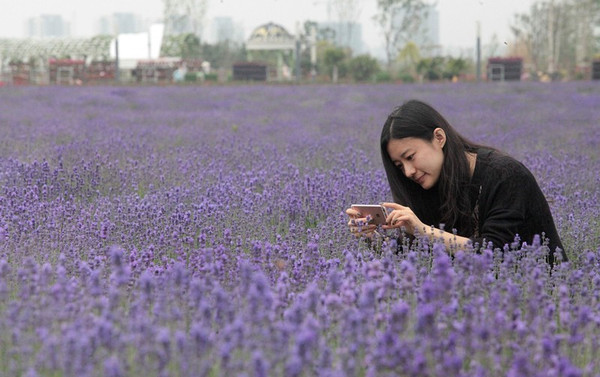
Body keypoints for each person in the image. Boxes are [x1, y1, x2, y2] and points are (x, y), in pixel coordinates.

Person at [346, 99, 567, 264]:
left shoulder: (506, 175)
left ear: (439, 138)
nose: (408, 172)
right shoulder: (430, 185)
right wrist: (373, 239)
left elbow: (493, 251)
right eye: (399, 166)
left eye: (410, 157)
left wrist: (423, 231)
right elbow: (422, 259)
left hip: (540, 299)